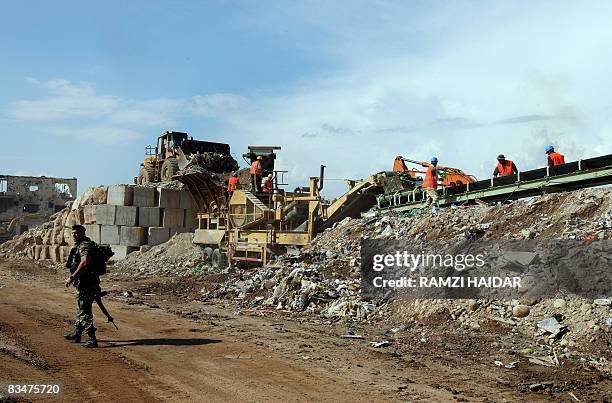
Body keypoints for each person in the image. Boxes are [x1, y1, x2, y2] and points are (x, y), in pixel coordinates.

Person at [64, 225, 101, 348]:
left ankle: (92, 338)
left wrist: (72, 277)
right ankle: (77, 333)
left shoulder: (84, 245)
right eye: (73, 233)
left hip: (87, 283)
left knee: (85, 311)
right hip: (85, 283)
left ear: (82, 233)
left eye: (77, 233)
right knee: (81, 308)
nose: (74, 235)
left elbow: (85, 263)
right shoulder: (81, 244)